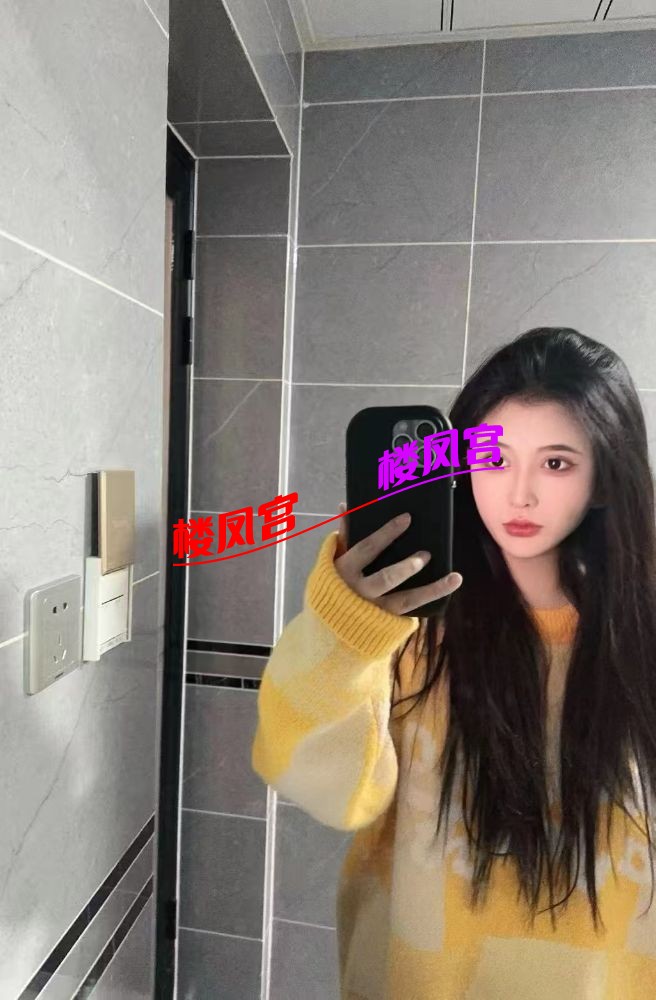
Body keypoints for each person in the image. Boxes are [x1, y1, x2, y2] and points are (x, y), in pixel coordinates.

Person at [251, 327, 656, 999]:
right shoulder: (407, 626)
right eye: (494, 458)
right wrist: (345, 634)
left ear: (603, 477)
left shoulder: (639, 641)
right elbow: (321, 788)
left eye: (556, 463)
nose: (520, 494)